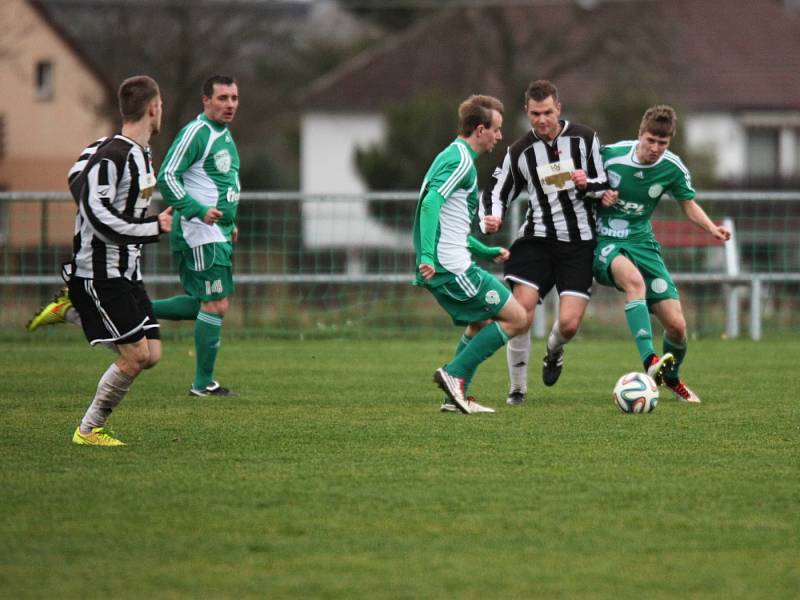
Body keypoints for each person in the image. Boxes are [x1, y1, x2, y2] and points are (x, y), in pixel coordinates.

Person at [481, 80, 608, 406]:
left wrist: (587, 183)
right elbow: (497, 190)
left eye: (547, 113)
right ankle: (517, 390)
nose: (541, 120)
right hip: (536, 239)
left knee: (568, 324)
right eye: (535, 113)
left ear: (559, 109)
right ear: (527, 111)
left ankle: (554, 351)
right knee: (520, 313)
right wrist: (492, 217)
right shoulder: (520, 151)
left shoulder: (585, 138)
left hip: (578, 243)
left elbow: (604, 184)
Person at [593, 105, 731, 403]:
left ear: (669, 142)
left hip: (643, 243)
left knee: (678, 327)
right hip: (605, 241)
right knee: (633, 281)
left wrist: (712, 228)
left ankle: (671, 377)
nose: (655, 148)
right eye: (650, 141)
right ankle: (650, 361)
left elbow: (687, 203)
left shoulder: (672, 167)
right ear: (639, 135)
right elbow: (581, 184)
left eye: (662, 143)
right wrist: (597, 195)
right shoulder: (609, 155)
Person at [65, 75, 172, 446]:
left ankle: (75, 312)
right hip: (100, 272)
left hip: (128, 272)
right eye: (162, 106)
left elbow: (76, 174)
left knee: (152, 354)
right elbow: (98, 214)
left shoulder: (142, 154)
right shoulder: (111, 153)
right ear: (153, 108)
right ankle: (88, 429)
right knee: (134, 356)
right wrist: (152, 227)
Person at [413, 94, 529, 414]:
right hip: (451, 267)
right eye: (496, 129)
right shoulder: (461, 160)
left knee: (480, 322)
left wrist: (484, 249)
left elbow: (453, 224)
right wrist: (426, 256)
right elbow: (431, 203)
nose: (500, 136)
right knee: (518, 318)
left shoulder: (453, 157)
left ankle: (455, 396)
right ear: (480, 130)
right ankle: (454, 375)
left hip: (452, 261)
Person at [150, 75, 241, 397]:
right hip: (199, 232)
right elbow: (167, 176)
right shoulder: (196, 133)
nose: (230, 104)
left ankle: (135, 309)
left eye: (233, 98)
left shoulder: (223, 135)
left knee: (209, 303)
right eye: (222, 98)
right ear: (206, 100)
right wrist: (196, 210)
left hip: (216, 232)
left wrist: (230, 223)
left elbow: (220, 183)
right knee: (215, 304)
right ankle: (203, 384)